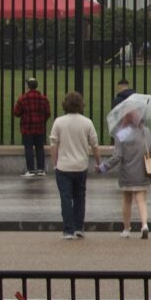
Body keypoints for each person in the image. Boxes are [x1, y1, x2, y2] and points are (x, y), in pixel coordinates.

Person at [49, 91, 98, 239]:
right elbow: (95, 145)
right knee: (80, 197)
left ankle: (68, 230)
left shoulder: (59, 122)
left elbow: (53, 145)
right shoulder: (87, 122)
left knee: (65, 198)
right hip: (81, 165)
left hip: (63, 166)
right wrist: (99, 162)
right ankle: (78, 227)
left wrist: (55, 163)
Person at [109, 109, 151, 239]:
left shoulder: (123, 133)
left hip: (127, 171)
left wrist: (104, 167)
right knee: (141, 200)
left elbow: (117, 156)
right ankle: (144, 224)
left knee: (127, 201)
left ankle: (127, 229)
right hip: (143, 170)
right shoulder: (146, 131)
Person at [14, 78, 50, 177]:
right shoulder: (43, 98)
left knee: (28, 149)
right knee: (40, 148)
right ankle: (41, 169)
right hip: (39, 127)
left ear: (28, 86)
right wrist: (42, 120)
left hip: (27, 127)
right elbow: (48, 113)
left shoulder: (22, 98)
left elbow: (16, 112)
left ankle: (30, 170)